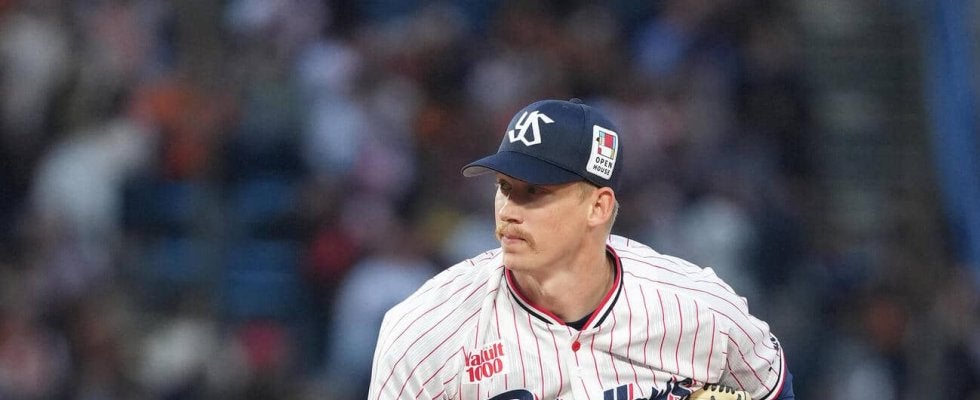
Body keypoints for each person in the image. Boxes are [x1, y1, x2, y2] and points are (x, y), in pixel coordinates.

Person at [368, 99, 795, 399]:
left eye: (534, 192)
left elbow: (773, 389)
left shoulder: (700, 309)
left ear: (598, 206)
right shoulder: (427, 331)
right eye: (504, 187)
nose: (508, 211)